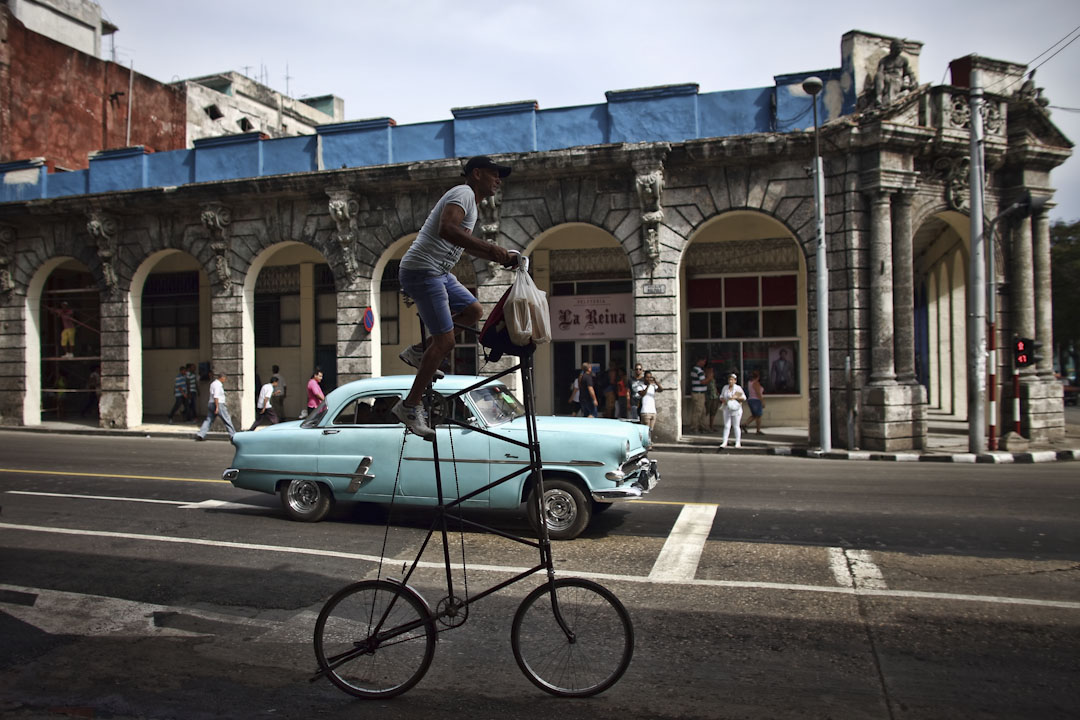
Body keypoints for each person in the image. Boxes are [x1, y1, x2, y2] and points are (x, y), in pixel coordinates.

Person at [392, 156, 517, 439]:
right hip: (423, 270)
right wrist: (492, 248)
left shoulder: (472, 203)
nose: (498, 180)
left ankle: (419, 351)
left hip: (440, 271)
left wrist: (498, 256)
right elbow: (447, 229)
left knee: (474, 310)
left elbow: (462, 243)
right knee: (446, 341)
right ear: (476, 174)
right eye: (494, 174)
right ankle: (409, 407)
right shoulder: (463, 194)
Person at [195, 370, 236, 440]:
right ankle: (233, 435)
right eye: (225, 378)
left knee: (208, 420)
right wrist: (217, 407)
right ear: (222, 378)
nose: (225, 380)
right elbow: (216, 396)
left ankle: (201, 434)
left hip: (211, 403)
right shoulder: (218, 385)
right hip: (218, 404)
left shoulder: (213, 383)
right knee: (227, 419)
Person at [719, 373, 746, 449]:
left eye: (732, 380)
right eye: (729, 379)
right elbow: (721, 396)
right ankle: (725, 441)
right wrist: (723, 400)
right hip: (727, 408)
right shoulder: (725, 388)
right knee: (727, 425)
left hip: (736, 409)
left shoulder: (738, 388)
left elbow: (744, 398)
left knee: (736, 425)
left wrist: (736, 398)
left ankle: (738, 442)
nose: (730, 381)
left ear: (735, 381)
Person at [689, 356, 708, 433]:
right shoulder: (698, 370)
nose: (704, 363)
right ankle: (694, 427)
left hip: (700, 393)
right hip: (698, 393)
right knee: (698, 411)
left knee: (703, 411)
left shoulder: (696, 370)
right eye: (704, 361)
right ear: (700, 361)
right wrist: (709, 377)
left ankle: (702, 427)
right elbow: (703, 381)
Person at [747, 369, 766, 434]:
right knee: (758, 416)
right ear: (758, 377)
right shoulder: (755, 383)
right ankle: (758, 430)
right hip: (756, 400)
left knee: (754, 415)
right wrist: (762, 401)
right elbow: (758, 393)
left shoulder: (750, 382)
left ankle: (745, 424)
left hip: (750, 399)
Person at [704, 366, 721, 432]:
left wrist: (717, 394)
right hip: (708, 397)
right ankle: (703, 425)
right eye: (710, 371)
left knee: (713, 412)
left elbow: (714, 387)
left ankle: (711, 426)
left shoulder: (713, 379)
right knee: (706, 411)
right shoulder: (706, 378)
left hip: (715, 397)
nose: (712, 373)